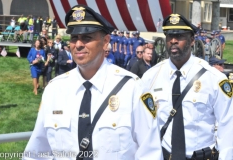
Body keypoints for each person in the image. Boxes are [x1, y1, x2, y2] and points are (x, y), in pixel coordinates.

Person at [23, 4, 163, 160]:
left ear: (105, 42)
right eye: (74, 38)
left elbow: (150, 153)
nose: (78, 44)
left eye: (87, 38)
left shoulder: (132, 88)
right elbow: (37, 152)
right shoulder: (55, 90)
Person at [142, 13, 233, 160]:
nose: (173, 41)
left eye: (179, 37)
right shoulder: (151, 77)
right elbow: (144, 127)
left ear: (191, 40)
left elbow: (227, 127)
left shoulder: (213, 79)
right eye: (169, 36)